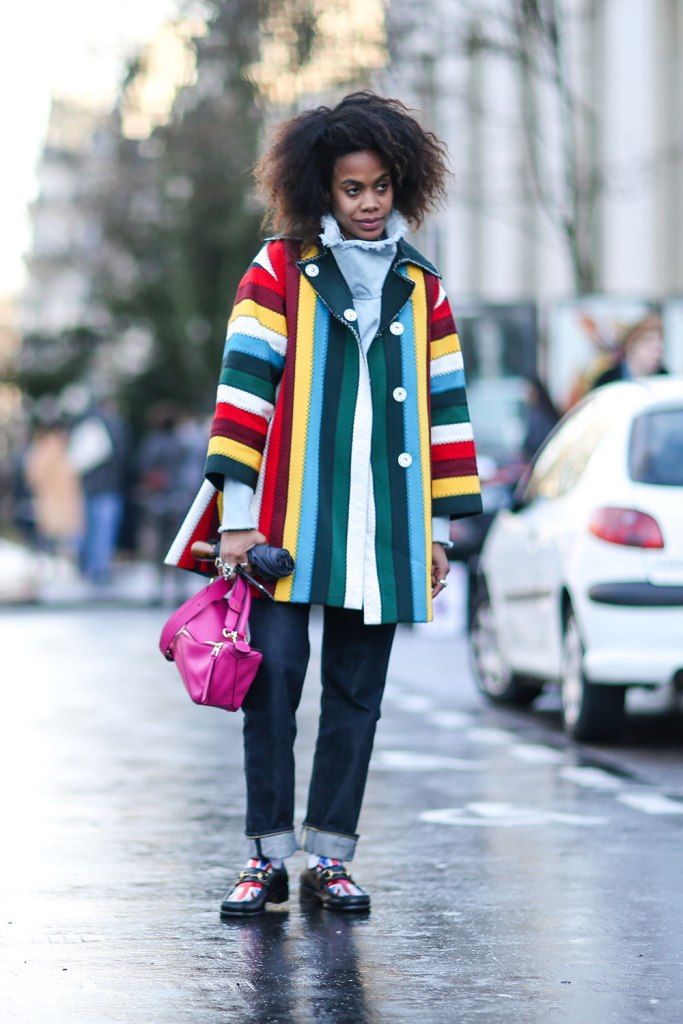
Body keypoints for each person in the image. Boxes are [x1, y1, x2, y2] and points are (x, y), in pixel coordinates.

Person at [167, 92, 482, 916]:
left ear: (401, 184)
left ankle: (331, 857)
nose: (368, 203)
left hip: (384, 526)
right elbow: (243, 395)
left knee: (356, 696)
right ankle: (266, 857)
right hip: (283, 524)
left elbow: (445, 410)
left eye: (380, 186)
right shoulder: (277, 268)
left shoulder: (421, 284)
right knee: (271, 683)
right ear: (321, 189)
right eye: (352, 188)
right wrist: (238, 522)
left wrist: (438, 532)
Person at [591, 314, 666, 389]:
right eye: (651, 349)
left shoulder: (665, 380)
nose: (657, 356)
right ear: (631, 346)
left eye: (659, 350)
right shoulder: (606, 381)